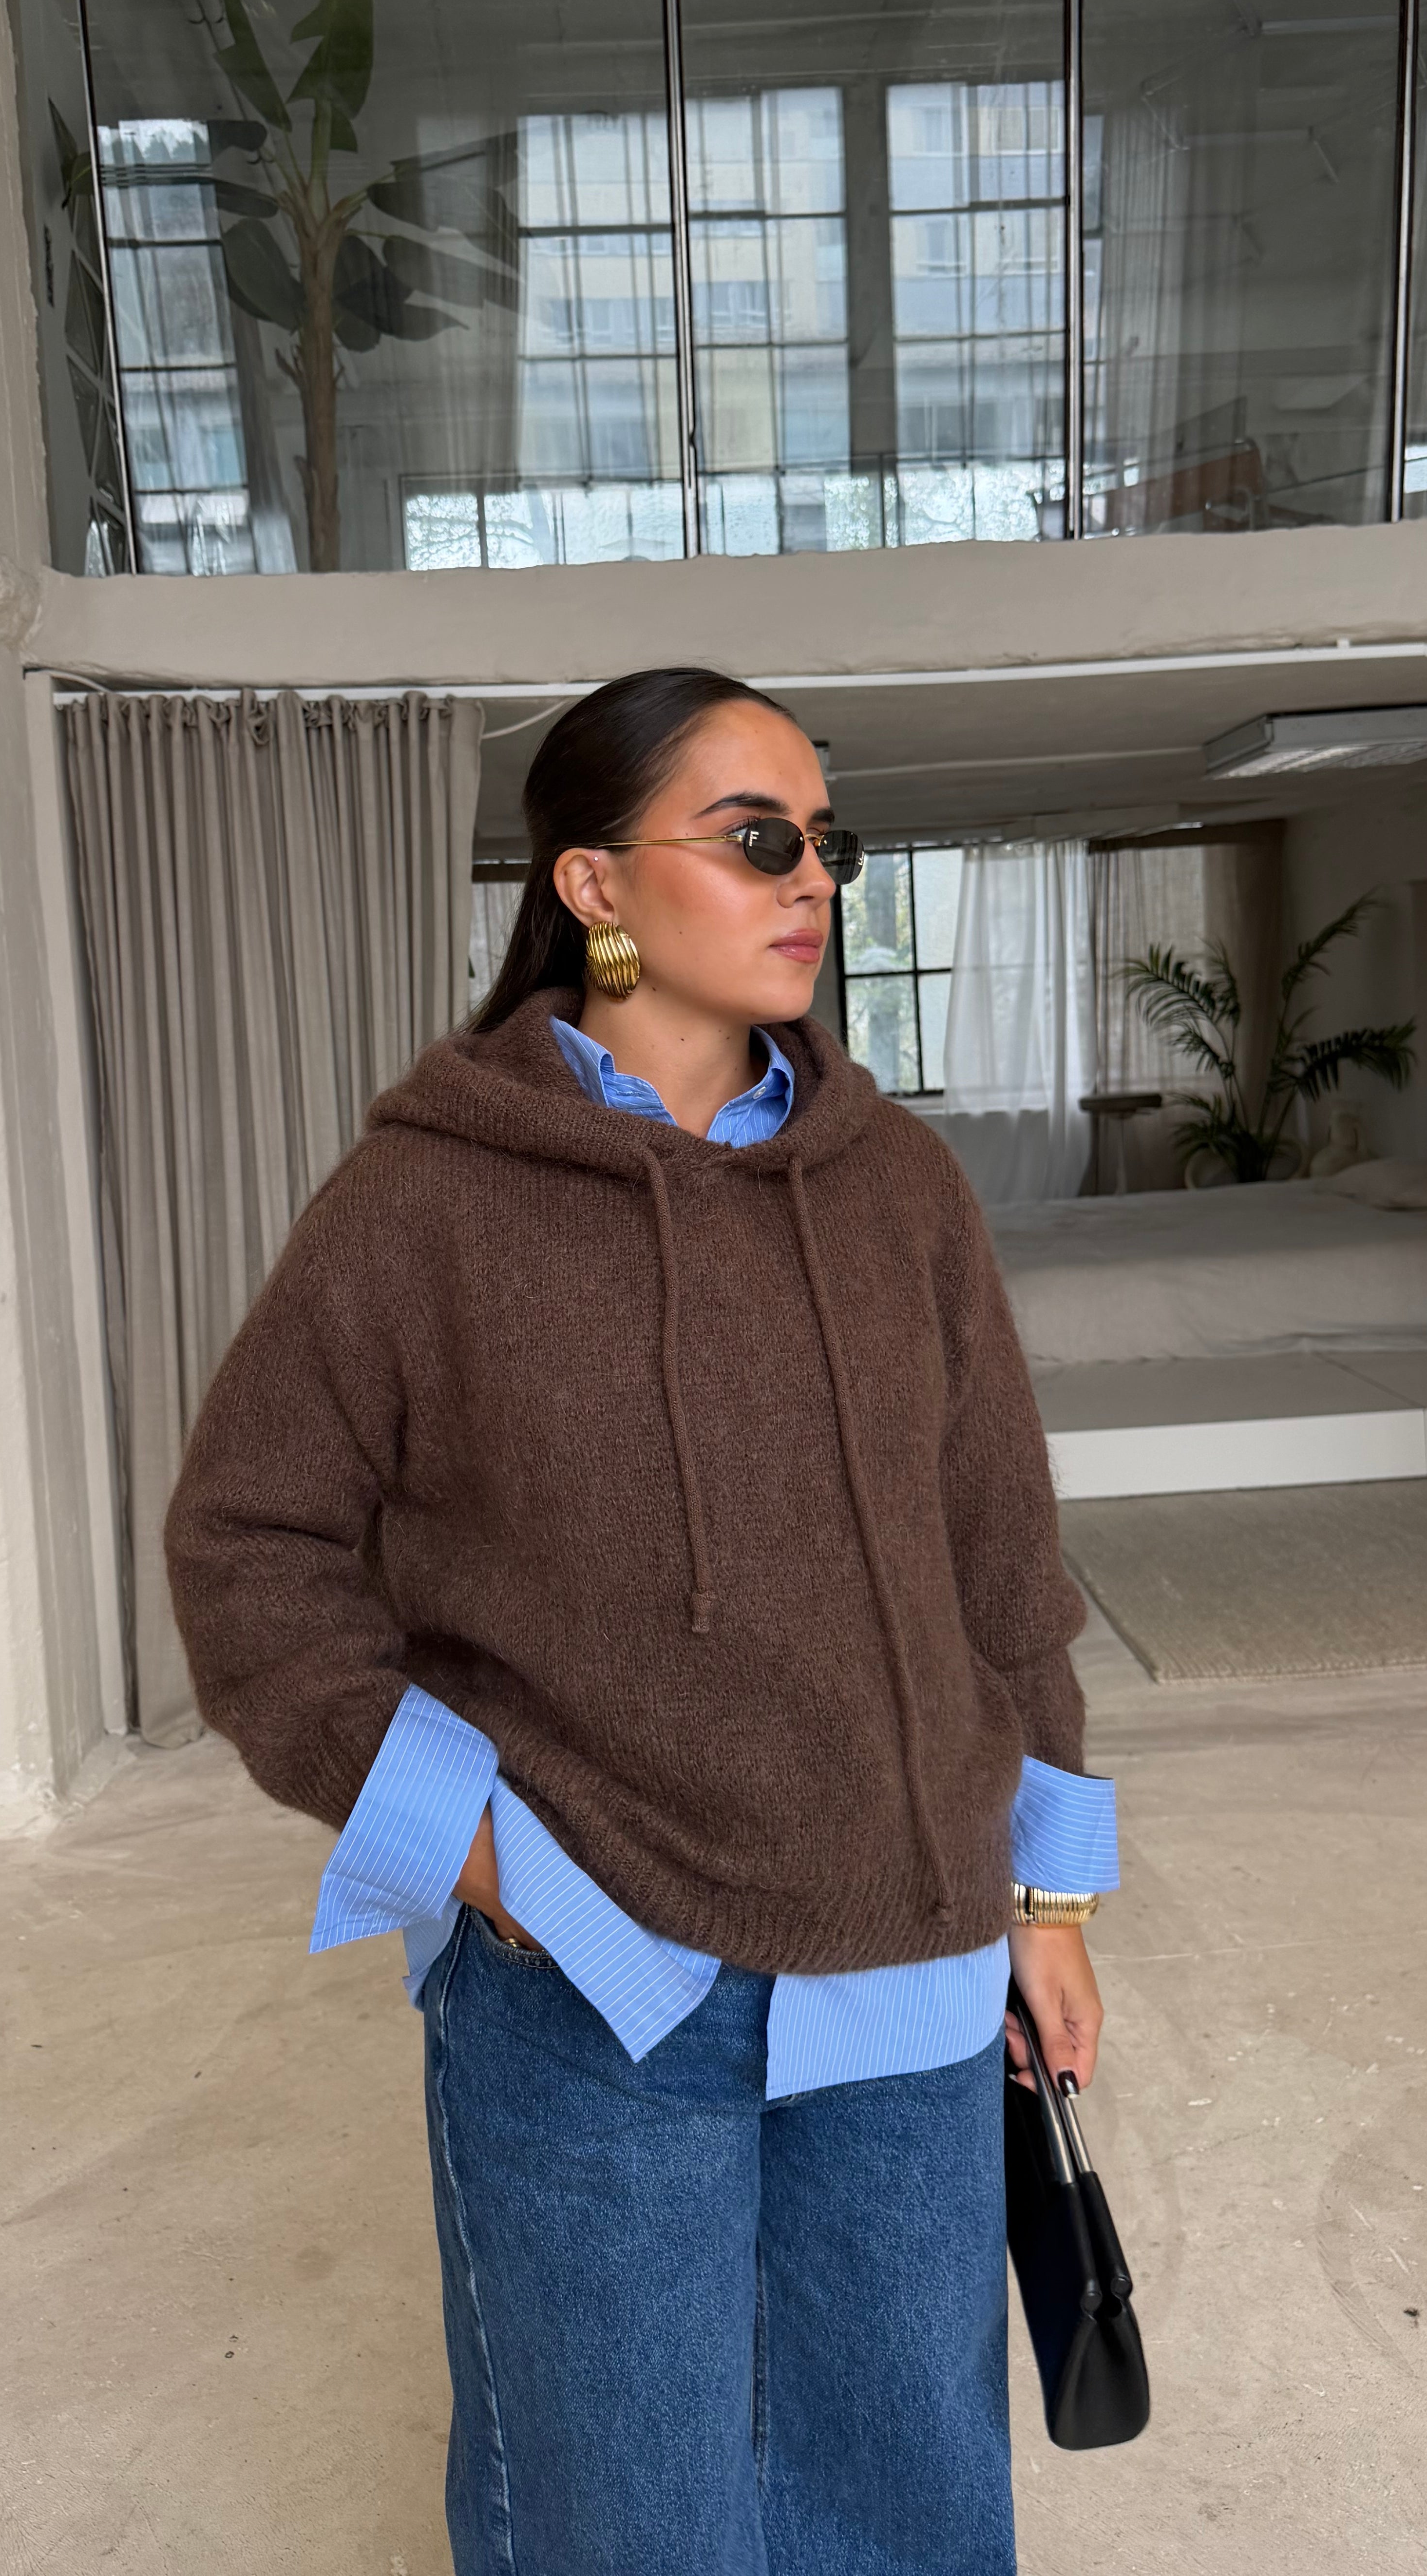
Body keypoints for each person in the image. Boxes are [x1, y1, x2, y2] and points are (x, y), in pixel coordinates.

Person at [166, 667, 1117, 2576]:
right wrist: (473, 1848)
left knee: (909, 2499)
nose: (812, 879)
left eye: (827, 843)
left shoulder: (901, 1191)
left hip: (914, 1957)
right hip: (603, 1978)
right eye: (758, 839)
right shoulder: (426, 1205)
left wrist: (1050, 1896)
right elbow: (249, 1548)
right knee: (631, 2517)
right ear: (593, 885)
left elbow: (1002, 1565)